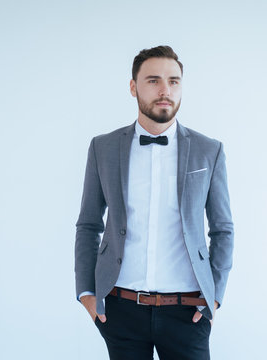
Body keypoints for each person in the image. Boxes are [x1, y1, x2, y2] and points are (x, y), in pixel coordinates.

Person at [74, 45, 234, 360]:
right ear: (133, 87)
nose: (165, 90)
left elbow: (223, 228)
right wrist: (87, 295)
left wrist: (213, 298)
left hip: (188, 313)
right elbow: (89, 224)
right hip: (121, 312)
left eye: (174, 81)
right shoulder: (103, 148)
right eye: (153, 81)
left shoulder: (208, 150)